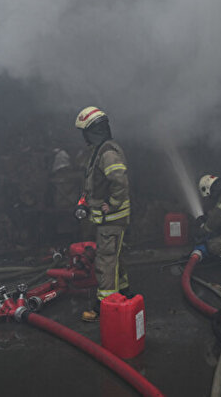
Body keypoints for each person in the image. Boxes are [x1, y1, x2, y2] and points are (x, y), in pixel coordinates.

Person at [74, 106, 133, 322]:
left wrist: (113, 203)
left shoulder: (107, 153)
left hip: (113, 219)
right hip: (108, 219)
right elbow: (94, 185)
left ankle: (104, 306)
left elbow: (119, 180)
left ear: (92, 131)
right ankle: (124, 292)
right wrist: (84, 202)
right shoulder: (99, 151)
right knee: (116, 258)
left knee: (105, 260)